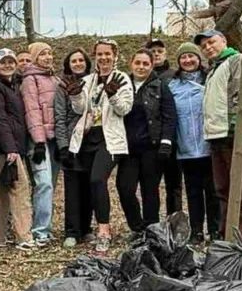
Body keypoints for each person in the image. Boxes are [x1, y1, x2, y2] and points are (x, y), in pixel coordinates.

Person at [68, 39, 133, 253]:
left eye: (107, 54)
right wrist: (75, 95)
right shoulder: (88, 80)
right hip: (88, 137)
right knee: (90, 184)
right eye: (100, 54)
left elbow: (124, 109)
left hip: (109, 138)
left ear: (115, 55)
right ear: (95, 56)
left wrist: (113, 96)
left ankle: (104, 231)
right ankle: (88, 228)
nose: (104, 58)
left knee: (98, 179)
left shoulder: (122, 78)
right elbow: (80, 109)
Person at [196, 28, 242, 239]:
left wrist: (237, 127)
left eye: (211, 42)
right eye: (204, 46)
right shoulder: (213, 70)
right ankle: (227, 236)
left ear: (223, 41)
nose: (208, 47)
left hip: (236, 135)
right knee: (223, 189)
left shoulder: (237, 61)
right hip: (216, 136)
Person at [116, 48, 176, 233]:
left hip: (152, 146)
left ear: (151, 66)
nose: (141, 67)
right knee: (125, 188)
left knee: (150, 190)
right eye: (138, 63)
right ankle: (137, 227)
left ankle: (151, 229)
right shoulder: (122, 85)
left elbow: (169, 116)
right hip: (128, 149)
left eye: (145, 64)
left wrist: (166, 141)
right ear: (131, 64)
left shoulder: (160, 86)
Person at [168, 42, 221, 243]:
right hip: (186, 147)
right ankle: (196, 231)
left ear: (199, 59)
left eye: (191, 56)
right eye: (183, 57)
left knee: (213, 190)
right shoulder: (172, 86)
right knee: (193, 191)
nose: (188, 60)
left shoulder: (211, 80)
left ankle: (215, 230)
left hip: (209, 145)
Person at [0, 48, 36, 249]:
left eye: (10, 62)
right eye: (3, 62)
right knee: (20, 186)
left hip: (12, 145)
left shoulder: (12, 86)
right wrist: (10, 148)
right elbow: (0, 119)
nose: (7, 65)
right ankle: (24, 236)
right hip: (5, 147)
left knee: (3, 188)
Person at [21, 41, 61, 244]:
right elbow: (32, 111)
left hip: (55, 139)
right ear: (35, 57)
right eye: (43, 54)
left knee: (50, 185)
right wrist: (38, 141)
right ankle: (40, 231)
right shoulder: (30, 80)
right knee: (43, 183)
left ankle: (45, 225)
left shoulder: (55, 78)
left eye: (50, 53)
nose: (48, 57)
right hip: (39, 141)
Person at [54, 48, 94, 247]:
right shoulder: (63, 86)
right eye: (74, 61)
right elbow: (60, 117)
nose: (78, 64)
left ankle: (86, 228)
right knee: (72, 188)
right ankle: (71, 230)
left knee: (90, 186)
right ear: (68, 65)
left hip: (92, 140)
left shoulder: (95, 82)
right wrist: (63, 145)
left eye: (81, 60)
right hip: (71, 142)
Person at [146, 36, 183, 215]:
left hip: (172, 137)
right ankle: (151, 223)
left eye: (159, 51)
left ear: (166, 53)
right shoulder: (142, 76)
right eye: (152, 51)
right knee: (149, 185)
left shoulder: (176, 75)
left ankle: (174, 220)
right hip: (149, 140)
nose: (156, 54)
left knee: (174, 184)